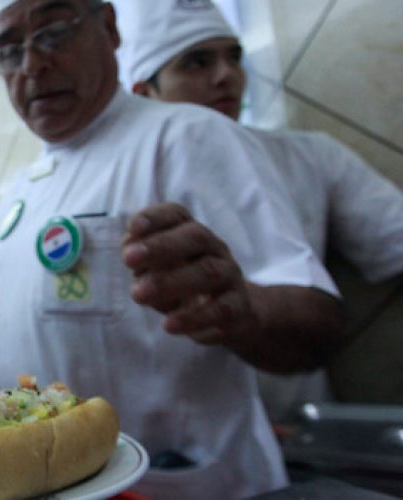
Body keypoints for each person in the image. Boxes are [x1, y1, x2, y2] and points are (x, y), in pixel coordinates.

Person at [0, 1, 345, 498]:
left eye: (54, 32)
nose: (33, 65)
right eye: (10, 51)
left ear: (110, 28)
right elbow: (12, 322)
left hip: (186, 484)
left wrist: (242, 309)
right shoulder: (21, 188)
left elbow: (319, 322)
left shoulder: (185, 137)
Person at [115, 0, 403, 421]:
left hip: (299, 417)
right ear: (145, 93)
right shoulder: (127, 182)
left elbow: (393, 235)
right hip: (190, 434)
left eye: (233, 57)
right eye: (196, 62)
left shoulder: (310, 156)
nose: (225, 76)